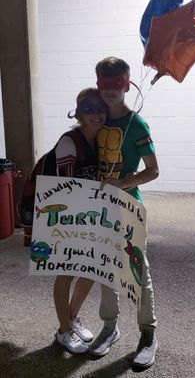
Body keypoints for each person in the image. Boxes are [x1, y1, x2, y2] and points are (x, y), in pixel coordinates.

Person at [90, 57, 159, 369]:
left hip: (128, 205)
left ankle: (148, 333)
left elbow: (153, 170)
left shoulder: (138, 124)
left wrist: (124, 182)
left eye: (117, 84)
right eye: (105, 83)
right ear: (97, 83)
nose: (111, 90)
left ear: (128, 84)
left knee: (136, 269)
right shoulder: (96, 118)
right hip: (99, 206)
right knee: (104, 267)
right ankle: (109, 327)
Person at [52, 88, 107, 354]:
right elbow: (66, 189)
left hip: (91, 214)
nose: (96, 114)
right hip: (66, 216)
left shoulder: (104, 140)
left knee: (90, 270)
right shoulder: (69, 142)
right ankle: (63, 331)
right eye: (89, 109)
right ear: (79, 113)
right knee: (67, 273)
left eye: (100, 108)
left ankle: (71, 319)